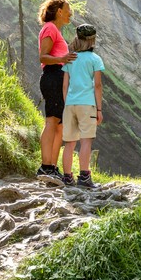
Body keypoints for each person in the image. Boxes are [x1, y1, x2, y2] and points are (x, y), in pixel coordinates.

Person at [36, 0, 77, 186]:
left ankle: (52, 167)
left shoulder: (56, 31)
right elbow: (43, 57)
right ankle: (46, 166)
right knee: (52, 121)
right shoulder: (50, 28)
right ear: (59, 11)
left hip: (59, 78)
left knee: (60, 124)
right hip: (52, 77)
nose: (71, 12)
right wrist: (64, 57)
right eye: (68, 9)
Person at [60, 24, 104, 188]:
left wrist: (67, 103)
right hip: (87, 105)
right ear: (92, 39)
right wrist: (99, 109)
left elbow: (65, 85)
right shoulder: (95, 59)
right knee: (86, 141)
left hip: (70, 104)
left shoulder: (71, 58)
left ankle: (67, 178)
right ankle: (84, 177)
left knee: (69, 143)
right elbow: (97, 86)